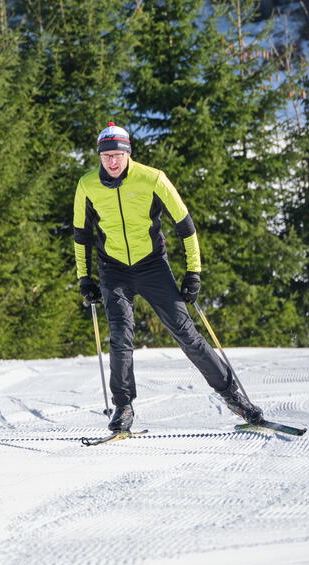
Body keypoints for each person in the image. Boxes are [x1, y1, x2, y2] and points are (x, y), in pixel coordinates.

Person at [72, 123, 264, 432]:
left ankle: (233, 397)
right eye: (106, 155)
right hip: (114, 269)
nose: (112, 162)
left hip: (152, 267)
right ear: (99, 156)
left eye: (118, 155)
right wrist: (85, 278)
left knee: (186, 334)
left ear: (128, 153)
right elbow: (81, 235)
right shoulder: (87, 185)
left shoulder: (153, 178)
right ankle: (123, 407)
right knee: (120, 338)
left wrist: (194, 271)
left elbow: (185, 225)